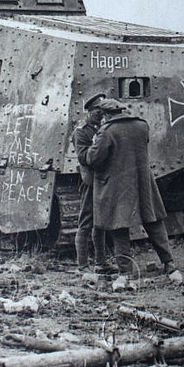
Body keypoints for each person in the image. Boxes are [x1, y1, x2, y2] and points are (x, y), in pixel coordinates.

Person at [85, 99, 178, 277]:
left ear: (105, 114)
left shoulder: (106, 132)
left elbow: (93, 159)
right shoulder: (142, 125)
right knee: (153, 222)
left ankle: (125, 272)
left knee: (119, 226)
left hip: (118, 186)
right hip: (142, 182)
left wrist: (94, 143)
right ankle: (169, 264)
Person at [72, 93, 113, 273]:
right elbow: (83, 157)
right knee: (85, 223)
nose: (101, 114)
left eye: (102, 111)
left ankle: (101, 263)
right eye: (98, 111)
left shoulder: (104, 128)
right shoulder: (81, 131)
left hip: (104, 179)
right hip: (90, 181)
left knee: (101, 223)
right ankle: (82, 266)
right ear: (90, 111)